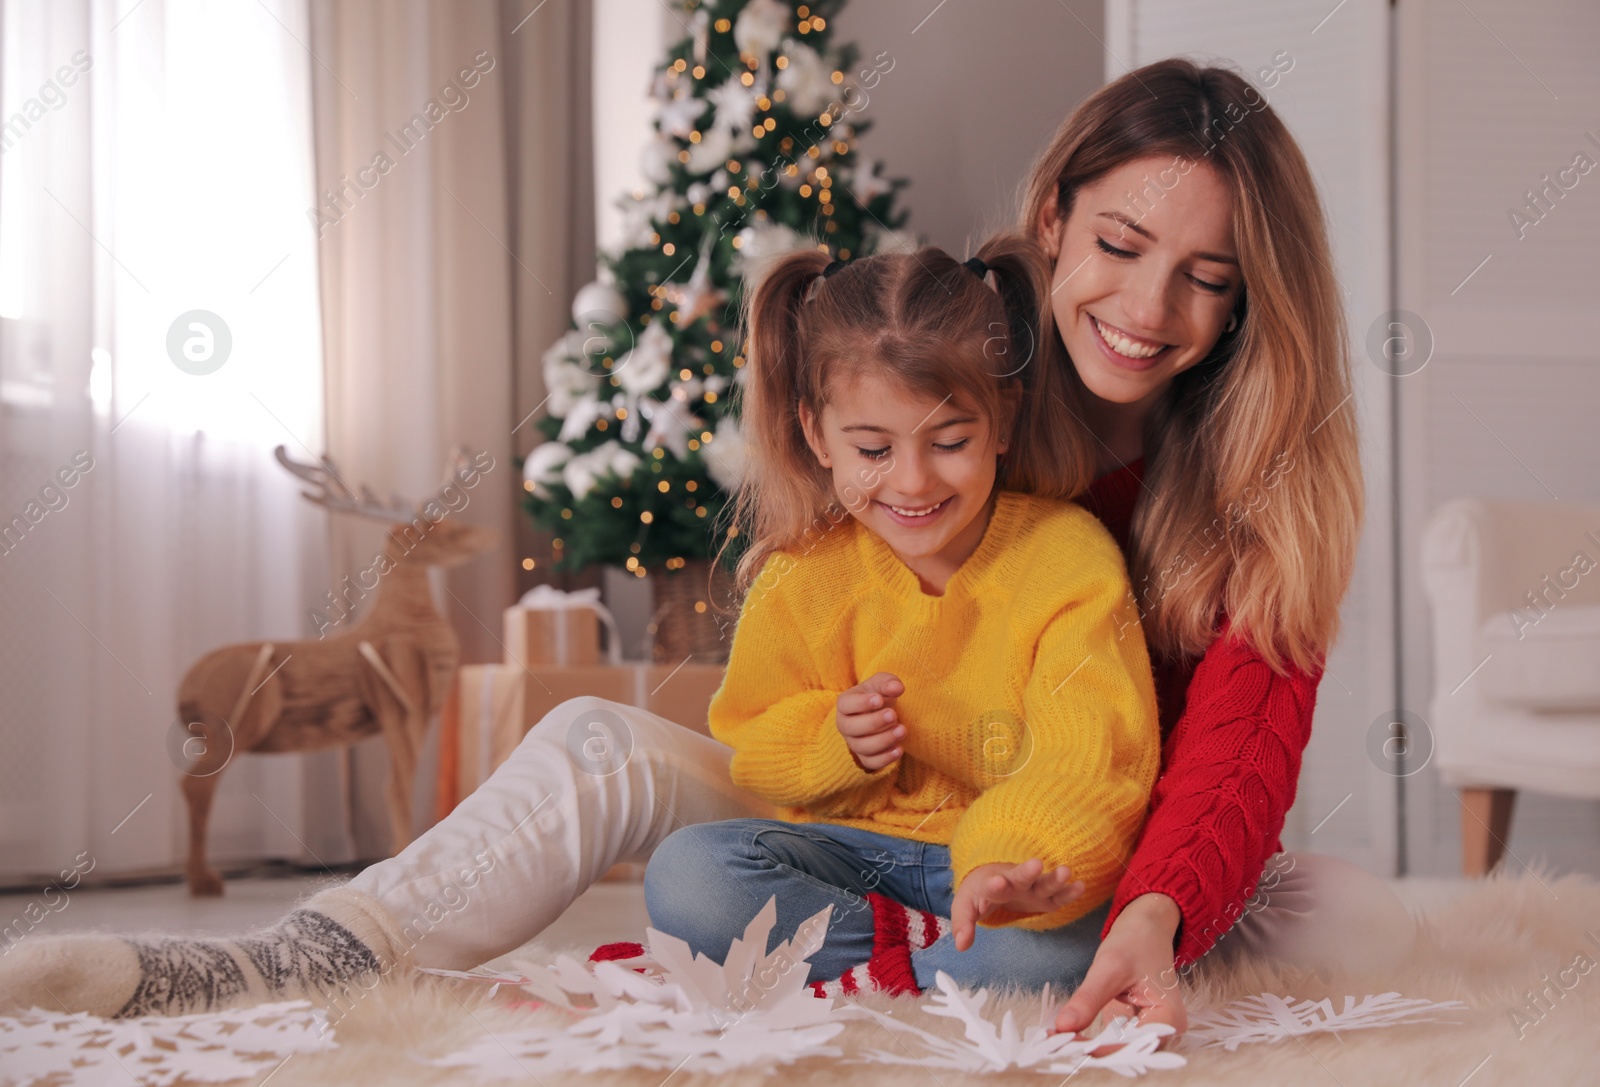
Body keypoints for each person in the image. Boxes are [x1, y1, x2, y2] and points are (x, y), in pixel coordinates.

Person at [1, 58, 1415, 1038]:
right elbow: (805, 609)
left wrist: (1158, 909)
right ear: (1053, 218)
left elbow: (1233, 750)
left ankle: (889, 972)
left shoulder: (1253, 488)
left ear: (1246, 305)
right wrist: (828, 726)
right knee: (598, 748)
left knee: (1311, 914)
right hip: (860, 808)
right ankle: (314, 950)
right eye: (1119, 241)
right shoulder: (948, 370)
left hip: (1070, 848)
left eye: (1206, 280)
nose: (1147, 304)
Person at [641, 233, 1160, 992]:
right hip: (845, 857)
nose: (912, 482)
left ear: (1003, 424)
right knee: (689, 875)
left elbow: (1091, 753)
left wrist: (1006, 863)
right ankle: (926, 964)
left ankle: (879, 968)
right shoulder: (802, 573)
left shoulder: (1066, 558)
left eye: (950, 441)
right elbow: (751, 737)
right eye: (874, 450)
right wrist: (834, 738)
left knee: (1068, 943)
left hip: (991, 870)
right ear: (818, 434)